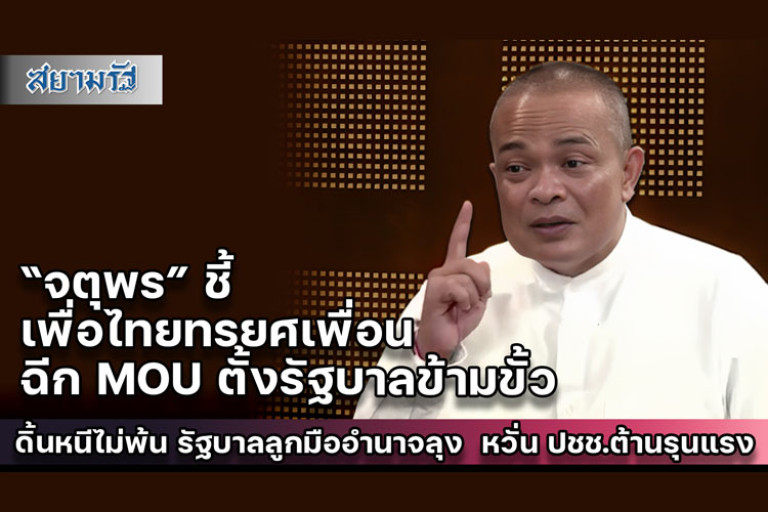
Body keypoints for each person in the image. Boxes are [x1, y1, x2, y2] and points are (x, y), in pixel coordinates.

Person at [354, 61, 768, 419]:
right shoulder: (452, 297)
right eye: (517, 168)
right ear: (496, 179)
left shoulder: (726, 292)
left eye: (573, 162)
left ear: (628, 173)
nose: (545, 190)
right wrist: (429, 360)